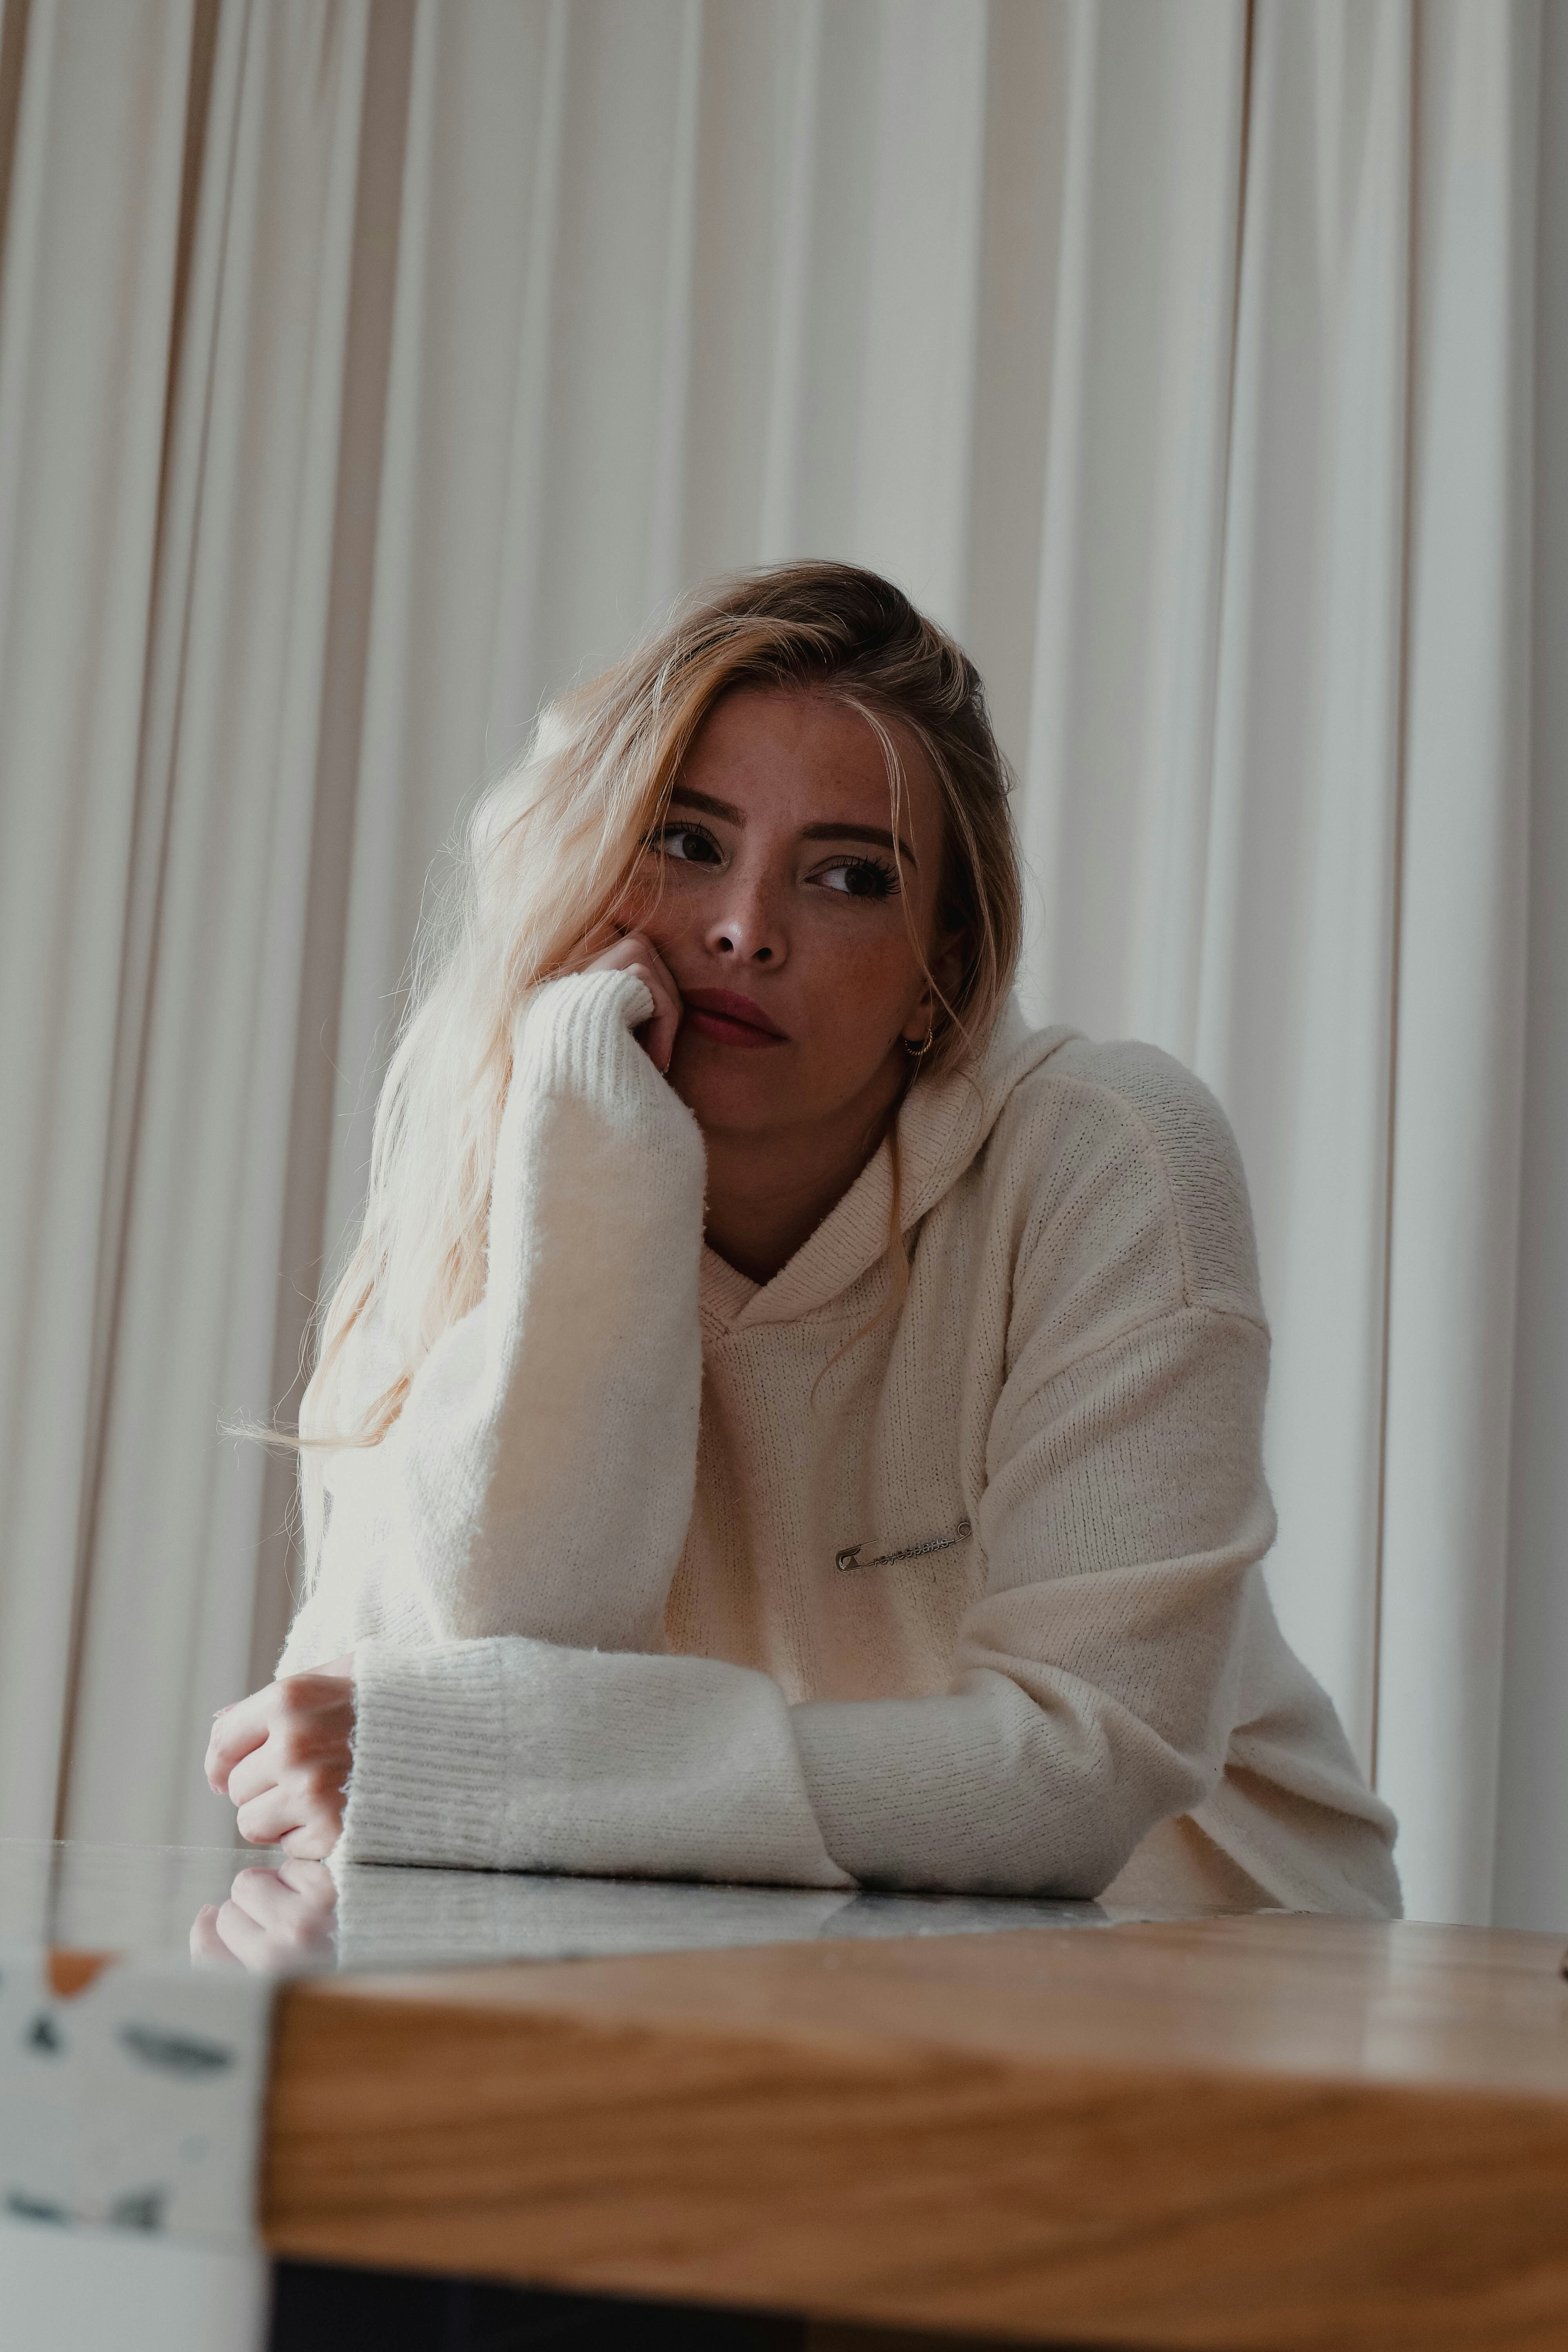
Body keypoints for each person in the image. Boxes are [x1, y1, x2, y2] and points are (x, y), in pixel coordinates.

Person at [205, 562, 1400, 1918]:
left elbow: (1080, 1766)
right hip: (785, 1953)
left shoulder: (1109, 1155)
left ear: (942, 965)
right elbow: (401, 1716)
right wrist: (601, 1180)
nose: (743, 928)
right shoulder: (526, 1163)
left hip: (1219, 1971)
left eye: (846, 877)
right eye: (688, 840)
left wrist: (496, 1765)